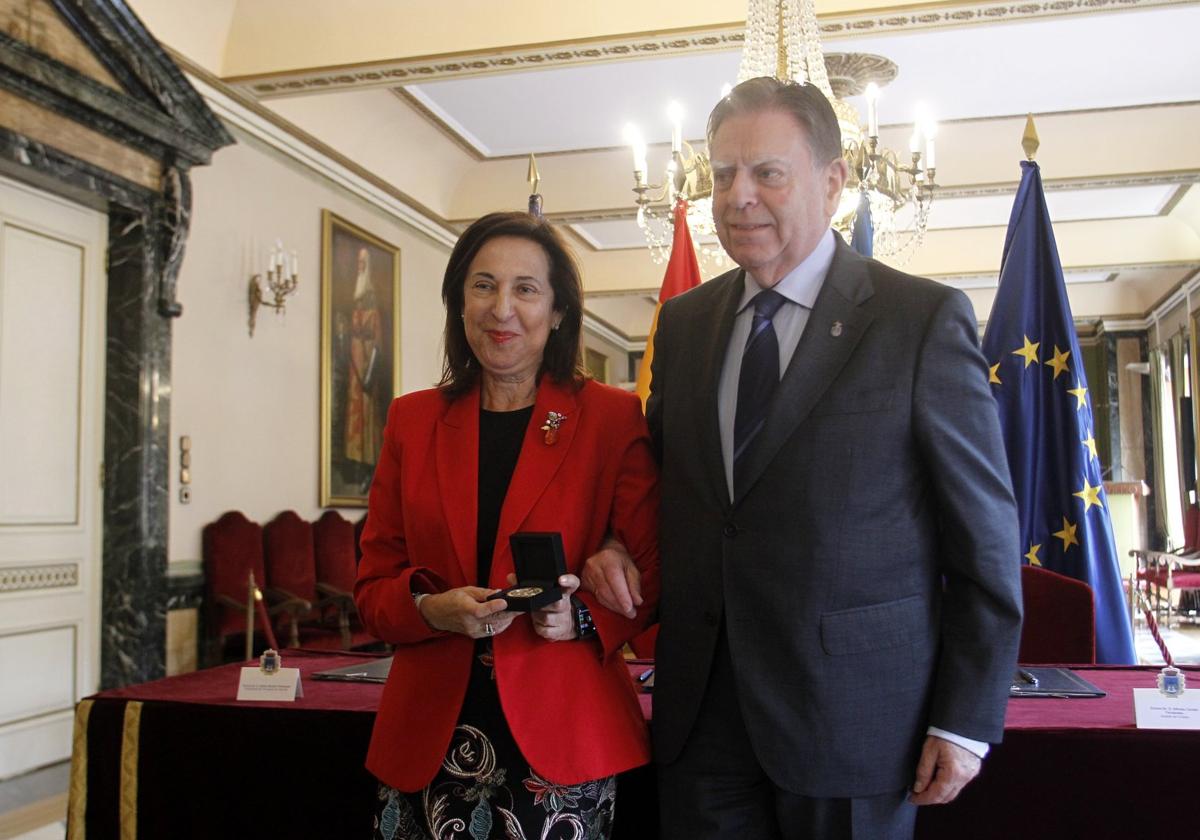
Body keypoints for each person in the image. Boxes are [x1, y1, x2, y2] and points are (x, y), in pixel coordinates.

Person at [583, 77, 1022, 839]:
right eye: (722, 175)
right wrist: (619, 544)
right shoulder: (684, 326)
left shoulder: (919, 321)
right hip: (703, 724)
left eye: (767, 173)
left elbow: (983, 542)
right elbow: (666, 492)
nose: (736, 196)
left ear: (833, 180)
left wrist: (965, 720)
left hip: (853, 722)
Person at [355, 211, 660, 840]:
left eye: (526, 289)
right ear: (459, 304)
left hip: (561, 739)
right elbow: (371, 591)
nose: (502, 309)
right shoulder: (411, 423)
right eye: (483, 285)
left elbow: (656, 572)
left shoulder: (609, 417)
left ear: (557, 312)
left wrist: (577, 619)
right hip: (428, 736)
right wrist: (431, 609)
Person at [345, 246, 384, 494]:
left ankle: (368, 464)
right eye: (357, 262)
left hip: (367, 364)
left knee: (367, 415)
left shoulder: (371, 298)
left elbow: (377, 340)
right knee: (354, 412)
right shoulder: (355, 298)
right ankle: (355, 463)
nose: (360, 267)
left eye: (363, 263)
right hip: (354, 366)